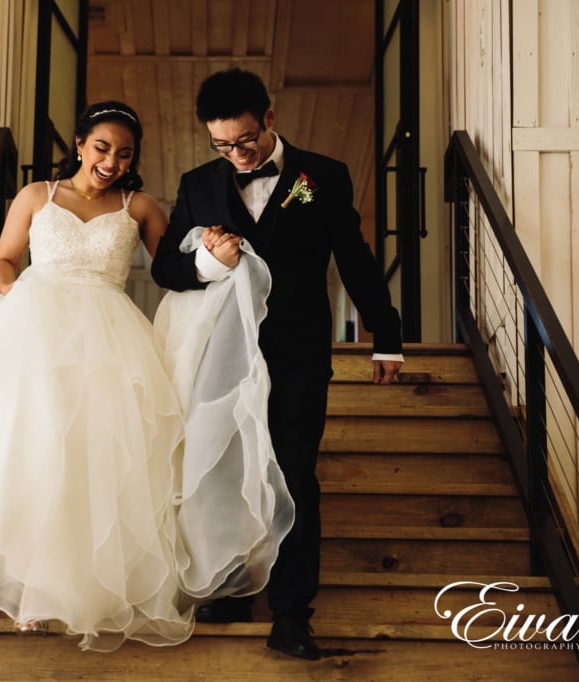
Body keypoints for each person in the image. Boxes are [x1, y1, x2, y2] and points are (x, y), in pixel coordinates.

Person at [0, 101, 195, 652]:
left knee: (92, 458)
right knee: (34, 452)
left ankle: (88, 590)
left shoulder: (140, 207)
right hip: (37, 330)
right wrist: (22, 300)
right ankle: (31, 592)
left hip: (110, 340)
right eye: (102, 147)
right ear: (79, 144)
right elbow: (3, 262)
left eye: (124, 153)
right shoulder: (38, 195)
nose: (111, 161)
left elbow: (174, 271)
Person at [151, 68, 404, 661]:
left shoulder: (322, 176)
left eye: (245, 141)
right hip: (223, 359)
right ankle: (232, 589)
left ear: (268, 119)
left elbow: (355, 258)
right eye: (222, 146)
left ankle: (291, 615)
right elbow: (166, 267)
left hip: (298, 354)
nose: (237, 155)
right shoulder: (197, 184)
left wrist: (386, 336)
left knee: (293, 475)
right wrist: (208, 264)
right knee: (224, 470)